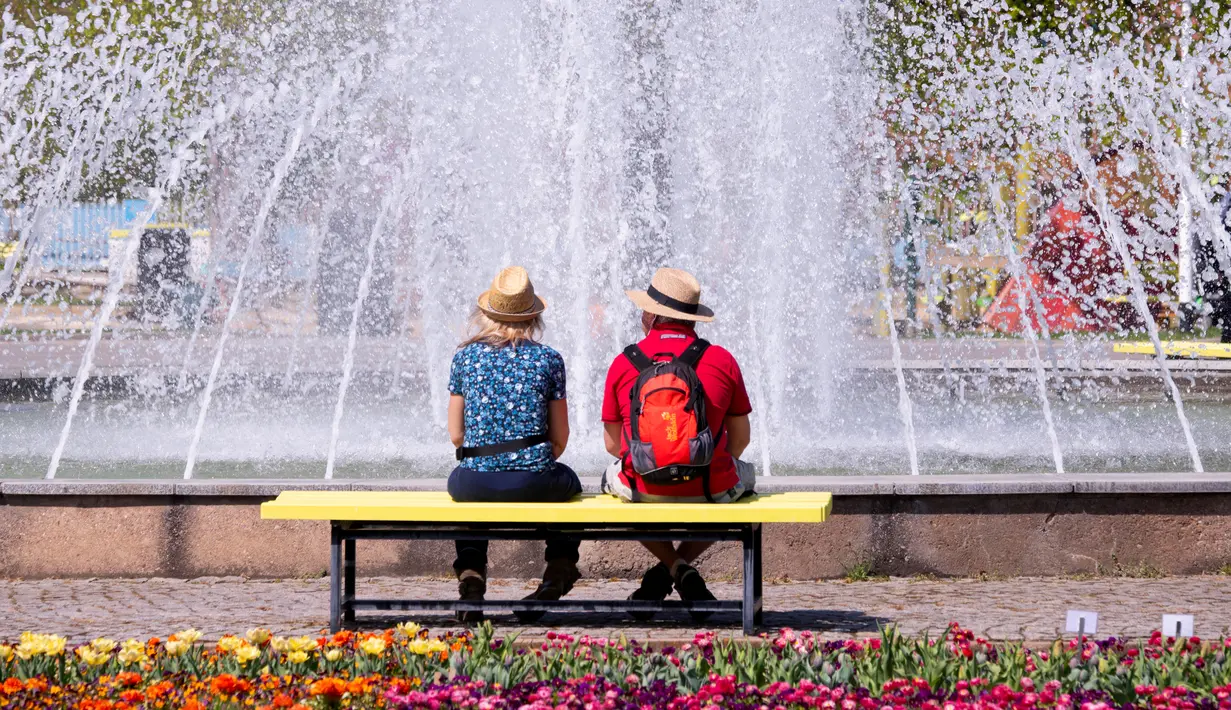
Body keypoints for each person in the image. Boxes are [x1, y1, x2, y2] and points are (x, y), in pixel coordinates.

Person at [599, 267, 755, 621]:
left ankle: (669, 567)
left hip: (644, 486)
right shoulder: (721, 360)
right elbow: (741, 440)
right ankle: (679, 568)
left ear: (652, 315)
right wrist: (701, 463)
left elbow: (613, 445)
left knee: (611, 482)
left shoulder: (624, 362)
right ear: (691, 318)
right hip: (708, 487)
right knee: (742, 478)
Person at [447, 266, 582, 623]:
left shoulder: (465, 357)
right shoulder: (548, 359)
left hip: (475, 480)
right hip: (534, 480)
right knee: (572, 484)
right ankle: (559, 569)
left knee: (463, 487)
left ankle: (472, 578)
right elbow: (560, 438)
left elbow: (456, 436)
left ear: (487, 313)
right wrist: (530, 463)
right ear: (534, 315)